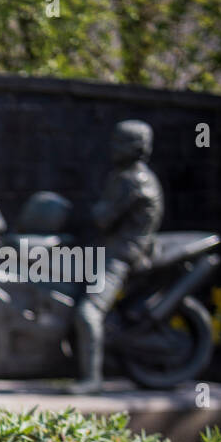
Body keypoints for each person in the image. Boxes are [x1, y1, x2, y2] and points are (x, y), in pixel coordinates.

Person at [69, 119, 164, 393]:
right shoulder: (129, 176)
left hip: (119, 257)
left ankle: (92, 379)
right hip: (114, 251)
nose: (113, 148)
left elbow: (102, 218)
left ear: (135, 147)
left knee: (88, 312)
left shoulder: (131, 181)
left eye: (119, 142)